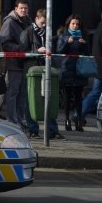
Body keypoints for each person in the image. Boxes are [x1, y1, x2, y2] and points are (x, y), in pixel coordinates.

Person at [24, 9, 63, 139]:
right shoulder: (28, 31)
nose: (44, 25)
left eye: (46, 23)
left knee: (49, 97)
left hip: (46, 67)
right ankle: (33, 129)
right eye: (42, 22)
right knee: (31, 100)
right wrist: (37, 50)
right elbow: (22, 50)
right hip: (32, 68)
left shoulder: (48, 32)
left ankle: (53, 130)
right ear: (37, 18)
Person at [0, 0, 32, 130]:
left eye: (26, 8)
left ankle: (19, 117)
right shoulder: (10, 22)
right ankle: (12, 120)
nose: (24, 10)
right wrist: (20, 49)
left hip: (25, 62)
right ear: (16, 9)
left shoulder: (27, 21)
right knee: (13, 92)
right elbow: (4, 42)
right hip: (14, 62)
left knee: (22, 93)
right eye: (21, 8)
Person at [56, 14, 89, 131]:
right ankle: (67, 120)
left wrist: (84, 44)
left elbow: (87, 52)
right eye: (73, 24)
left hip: (79, 70)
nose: (75, 26)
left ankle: (79, 121)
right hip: (67, 69)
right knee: (67, 96)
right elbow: (59, 51)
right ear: (68, 24)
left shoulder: (83, 36)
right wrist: (67, 43)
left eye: (77, 24)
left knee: (78, 97)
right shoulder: (63, 36)